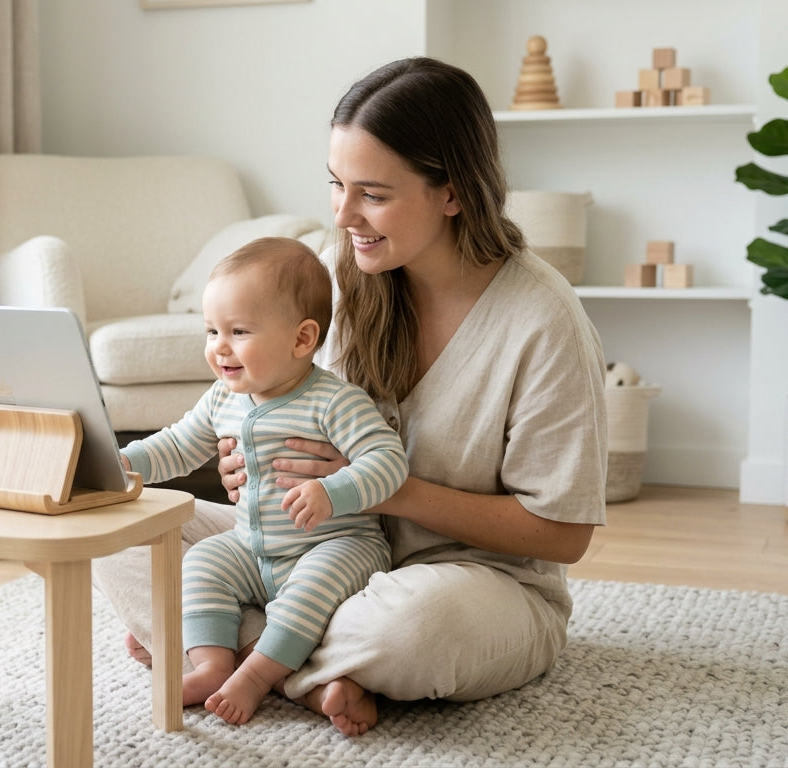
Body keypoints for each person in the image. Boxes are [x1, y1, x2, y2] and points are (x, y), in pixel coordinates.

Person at [94, 56, 607, 738]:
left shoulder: (542, 318)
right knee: (119, 534)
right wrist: (241, 460)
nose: (342, 214)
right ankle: (302, 676)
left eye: (372, 193)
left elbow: (563, 535)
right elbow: (283, 409)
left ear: (451, 192)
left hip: (468, 584)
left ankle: (226, 651)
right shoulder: (347, 278)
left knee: (412, 630)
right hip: (313, 548)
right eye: (336, 185)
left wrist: (383, 491)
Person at [118, 236, 408, 725]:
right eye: (212, 331)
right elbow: (177, 445)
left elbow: (388, 461)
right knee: (205, 560)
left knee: (311, 589)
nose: (219, 348)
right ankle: (211, 665)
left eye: (238, 331)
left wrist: (332, 492)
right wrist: (120, 465)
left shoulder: (335, 401)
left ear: (302, 339)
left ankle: (254, 677)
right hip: (253, 547)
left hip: (336, 545)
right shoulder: (223, 399)